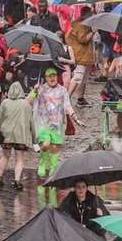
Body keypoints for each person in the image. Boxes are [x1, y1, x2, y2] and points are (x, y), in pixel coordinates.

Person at [32, 65, 76, 205]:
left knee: (55, 151)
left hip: (58, 125)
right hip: (44, 124)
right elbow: (30, 102)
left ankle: (53, 173)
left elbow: (67, 105)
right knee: (45, 145)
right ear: (45, 77)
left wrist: (75, 116)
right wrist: (34, 91)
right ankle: (43, 161)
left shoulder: (63, 90)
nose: (52, 78)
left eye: (54, 75)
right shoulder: (41, 89)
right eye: (49, 75)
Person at [0, 80, 33, 189]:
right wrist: (34, 138)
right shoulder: (26, 104)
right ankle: (17, 181)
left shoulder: (5, 102)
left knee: (5, 156)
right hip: (21, 136)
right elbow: (31, 122)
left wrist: (0, 130)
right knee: (19, 158)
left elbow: (0, 119)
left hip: (6, 135)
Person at [66, 19, 97, 105]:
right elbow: (83, 39)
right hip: (81, 55)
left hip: (86, 55)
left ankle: (80, 98)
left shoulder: (85, 25)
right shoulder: (80, 25)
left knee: (84, 78)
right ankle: (67, 98)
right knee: (78, 76)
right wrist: (93, 32)